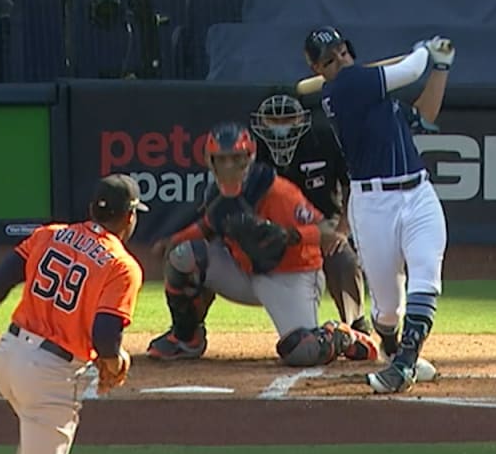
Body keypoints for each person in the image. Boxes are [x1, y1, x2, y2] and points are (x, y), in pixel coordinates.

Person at [0, 174, 147, 454]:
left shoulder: (51, 234)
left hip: (8, 358)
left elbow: (4, 275)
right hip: (49, 375)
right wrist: (116, 361)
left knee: (33, 445)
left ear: (92, 210)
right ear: (130, 219)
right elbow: (106, 332)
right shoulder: (122, 266)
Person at [145, 121, 378, 367]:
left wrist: (289, 235)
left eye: (236, 158)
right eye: (221, 159)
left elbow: (325, 232)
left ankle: (340, 335)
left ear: (250, 157)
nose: (229, 166)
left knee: (303, 352)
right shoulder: (217, 194)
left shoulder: (278, 191)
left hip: (291, 275)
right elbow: (208, 225)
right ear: (209, 160)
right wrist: (173, 241)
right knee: (184, 256)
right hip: (244, 271)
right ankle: (185, 338)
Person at [302, 26, 453, 393]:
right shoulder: (344, 88)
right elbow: (409, 70)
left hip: (418, 194)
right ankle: (394, 345)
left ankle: (402, 365)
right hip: (373, 206)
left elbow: (425, 116)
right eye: (329, 59)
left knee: (425, 276)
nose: (340, 60)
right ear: (318, 68)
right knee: (388, 309)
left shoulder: (369, 90)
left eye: (342, 52)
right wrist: (424, 49)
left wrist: (441, 68)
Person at [250, 92, 440, 381]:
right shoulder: (252, 150)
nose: (281, 126)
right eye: (274, 119)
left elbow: (354, 183)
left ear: (302, 118)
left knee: (344, 259)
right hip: (278, 233)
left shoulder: (324, 138)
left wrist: (341, 230)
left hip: (323, 229)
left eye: (287, 117)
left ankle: (356, 326)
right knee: (302, 346)